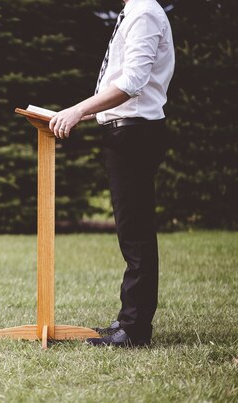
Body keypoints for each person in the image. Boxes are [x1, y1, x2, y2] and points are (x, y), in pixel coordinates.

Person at [48, 0, 175, 347]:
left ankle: (135, 330)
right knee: (131, 230)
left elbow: (133, 82)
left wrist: (77, 110)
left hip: (134, 135)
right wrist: (87, 114)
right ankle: (128, 320)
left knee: (135, 233)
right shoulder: (135, 12)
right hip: (128, 131)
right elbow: (126, 84)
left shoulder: (145, 12)